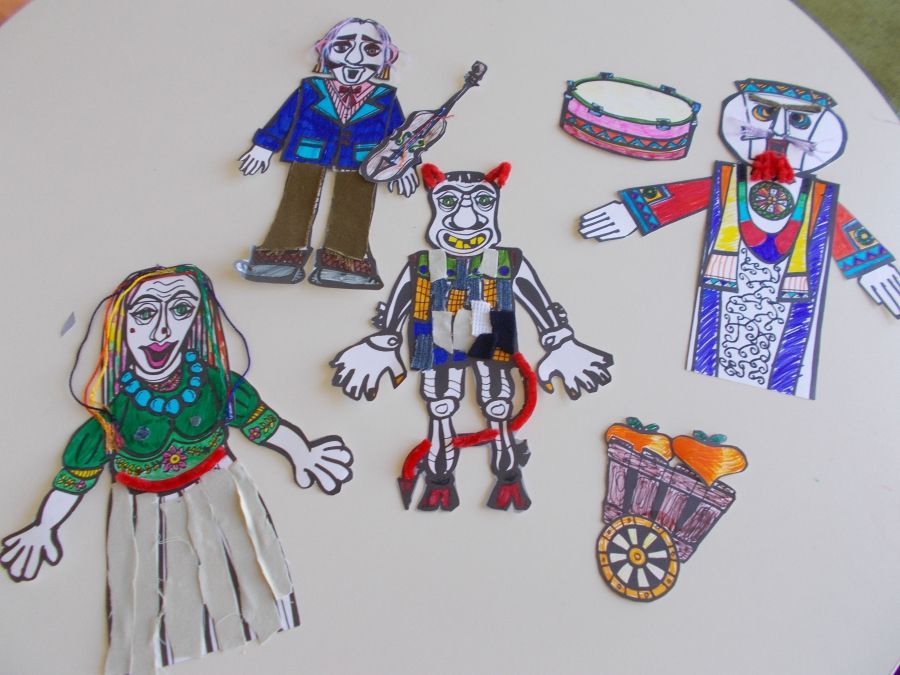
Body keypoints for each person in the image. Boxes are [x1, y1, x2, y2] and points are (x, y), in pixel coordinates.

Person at [0, 264, 353, 674]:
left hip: (222, 492)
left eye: (181, 309)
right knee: (151, 597)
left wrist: (303, 453)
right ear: (122, 325)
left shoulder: (215, 383)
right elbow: (77, 478)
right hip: (145, 513)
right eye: (146, 313)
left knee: (247, 580)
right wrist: (44, 526)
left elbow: (261, 423)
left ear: (197, 320)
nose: (164, 329)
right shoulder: (112, 412)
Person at [579, 78, 899, 399]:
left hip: (793, 299)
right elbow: (690, 195)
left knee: (788, 364)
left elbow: (842, 225)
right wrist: (635, 211)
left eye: (799, 120)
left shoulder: (819, 197)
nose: (779, 132)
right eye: (764, 113)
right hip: (725, 289)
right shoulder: (730, 181)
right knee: (709, 354)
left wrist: (872, 265)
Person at [332, 164, 613, 511]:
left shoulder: (506, 260)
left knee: (497, 404)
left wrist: (560, 340)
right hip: (438, 335)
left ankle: (507, 477)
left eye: (481, 201)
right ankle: (440, 481)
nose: (465, 218)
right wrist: (383, 342)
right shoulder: (424, 264)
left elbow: (538, 300)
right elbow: (399, 302)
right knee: (440, 405)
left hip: (491, 333)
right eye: (450, 202)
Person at [235, 17, 419, 289]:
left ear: (387, 57)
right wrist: (264, 146)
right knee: (296, 201)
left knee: (353, 207)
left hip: (362, 159)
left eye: (370, 50)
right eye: (343, 47)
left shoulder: (386, 97)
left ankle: (345, 263)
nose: (355, 58)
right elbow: (285, 118)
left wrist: (403, 164)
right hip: (308, 153)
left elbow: (398, 134)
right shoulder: (310, 89)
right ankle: (279, 257)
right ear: (325, 50)